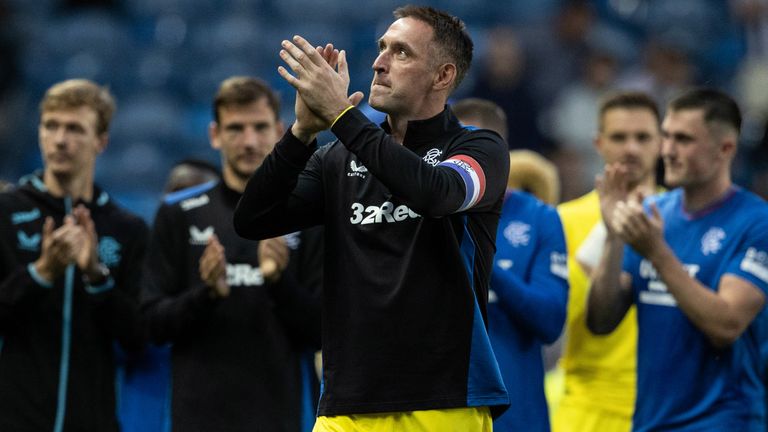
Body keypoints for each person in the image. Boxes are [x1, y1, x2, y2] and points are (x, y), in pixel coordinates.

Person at [234, 5, 510, 430]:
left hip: (444, 397)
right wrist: (302, 133)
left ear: (443, 76)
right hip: (347, 403)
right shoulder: (338, 157)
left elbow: (436, 193)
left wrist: (343, 117)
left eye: (401, 53)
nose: (379, 63)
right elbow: (252, 220)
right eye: (382, 48)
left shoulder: (478, 149)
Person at [141, 76, 323, 432]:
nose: (250, 141)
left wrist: (278, 281)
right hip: (198, 417)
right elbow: (151, 325)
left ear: (279, 130)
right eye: (236, 129)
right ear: (215, 134)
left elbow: (323, 332)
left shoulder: (307, 212)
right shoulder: (179, 213)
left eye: (259, 127)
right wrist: (206, 293)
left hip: (283, 417)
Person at [587, 88, 768, 431]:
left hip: (723, 421)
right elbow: (601, 321)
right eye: (666, 136)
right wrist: (613, 235)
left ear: (725, 149)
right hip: (650, 421)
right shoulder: (656, 214)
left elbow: (726, 326)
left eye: (683, 139)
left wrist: (657, 253)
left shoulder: (757, 223)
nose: (667, 150)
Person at [0, 79, 148, 431]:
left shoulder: (127, 228)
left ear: (101, 141)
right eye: (51, 126)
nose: (60, 139)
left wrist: (97, 277)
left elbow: (138, 337)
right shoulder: (5, 212)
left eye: (75, 129)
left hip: (92, 421)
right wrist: (40, 273)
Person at [454, 97, 569, 432]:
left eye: (480, 144)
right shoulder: (426, 215)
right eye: (458, 147)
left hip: (518, 417)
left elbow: (550, 321)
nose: (469, 159)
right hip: (445, 413)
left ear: (502, 150)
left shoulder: (539, 217)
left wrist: (484, 261)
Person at [552, 91, 663, 432]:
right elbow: (553, 320)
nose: (631, 148)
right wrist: (603, 236)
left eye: (643, 137)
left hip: (667, 406)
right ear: (598, 143)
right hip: (588, 408)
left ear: (661, 143)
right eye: (619, 137)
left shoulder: (685, 219)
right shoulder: (562, 220)